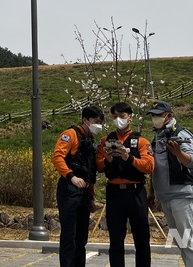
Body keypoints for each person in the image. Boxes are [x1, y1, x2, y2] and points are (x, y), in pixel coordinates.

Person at [146, 101, 193, 267]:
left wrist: (178, 152)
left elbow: (192, 161)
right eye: (153, 115)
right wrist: (152, 192)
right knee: (181, 243)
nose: (155, 118)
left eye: (159, 115)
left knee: (191, 244)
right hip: (165, 197)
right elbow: (156, 168)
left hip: (184, 195)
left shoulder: (180, 134)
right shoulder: (157, 137)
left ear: (169, 116)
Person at [96, 102, 154, 267]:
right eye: (114, 117)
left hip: (135, 192)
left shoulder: (141, 141)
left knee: (142, 238)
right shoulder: (106, 140)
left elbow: (149, 166)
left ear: (130, 117)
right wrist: (106, 160)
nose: (118, 120)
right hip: (114, 193)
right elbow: (98, 166)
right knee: (115, 238)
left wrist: (129, 158)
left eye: (122, 116)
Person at [52, 106, 105, 267]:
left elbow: (90, 171)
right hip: (70, 188)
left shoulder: (89, 139)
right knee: (69, 235)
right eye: (96, 122)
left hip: (84, 191)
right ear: (85, 120)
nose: (99, 125)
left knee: (81, 237)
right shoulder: (70, 135)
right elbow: (57, 157)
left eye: (101, 122)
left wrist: (91, 196)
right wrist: (70, 176)